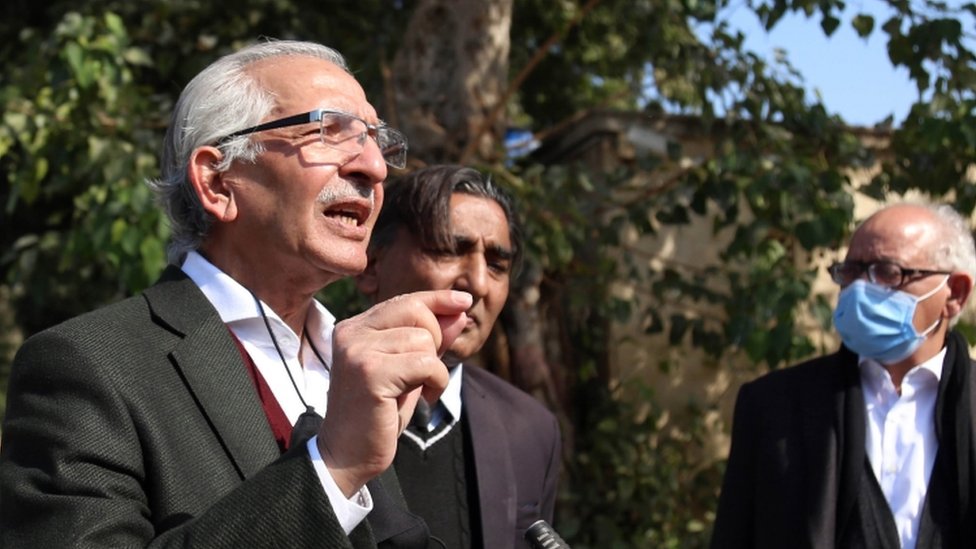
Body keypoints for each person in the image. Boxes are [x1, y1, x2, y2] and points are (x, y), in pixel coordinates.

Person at [0, 39, 471, 548]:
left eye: (377, 141)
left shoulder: (362, 360)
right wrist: (332, 468)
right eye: (328, 131)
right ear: (218, 182)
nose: (375, 167)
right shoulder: (88, 366)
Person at [711, 202, 976, 548]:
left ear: (954, 294)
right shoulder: (775, 405)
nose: (860, 288)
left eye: (888, 271)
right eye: (851, 271)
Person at [355, 165, 562, 548]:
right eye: (450, 250)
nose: (478, 284)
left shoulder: (531, 431)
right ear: (371, 266)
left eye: (497, 265)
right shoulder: (302, 395)